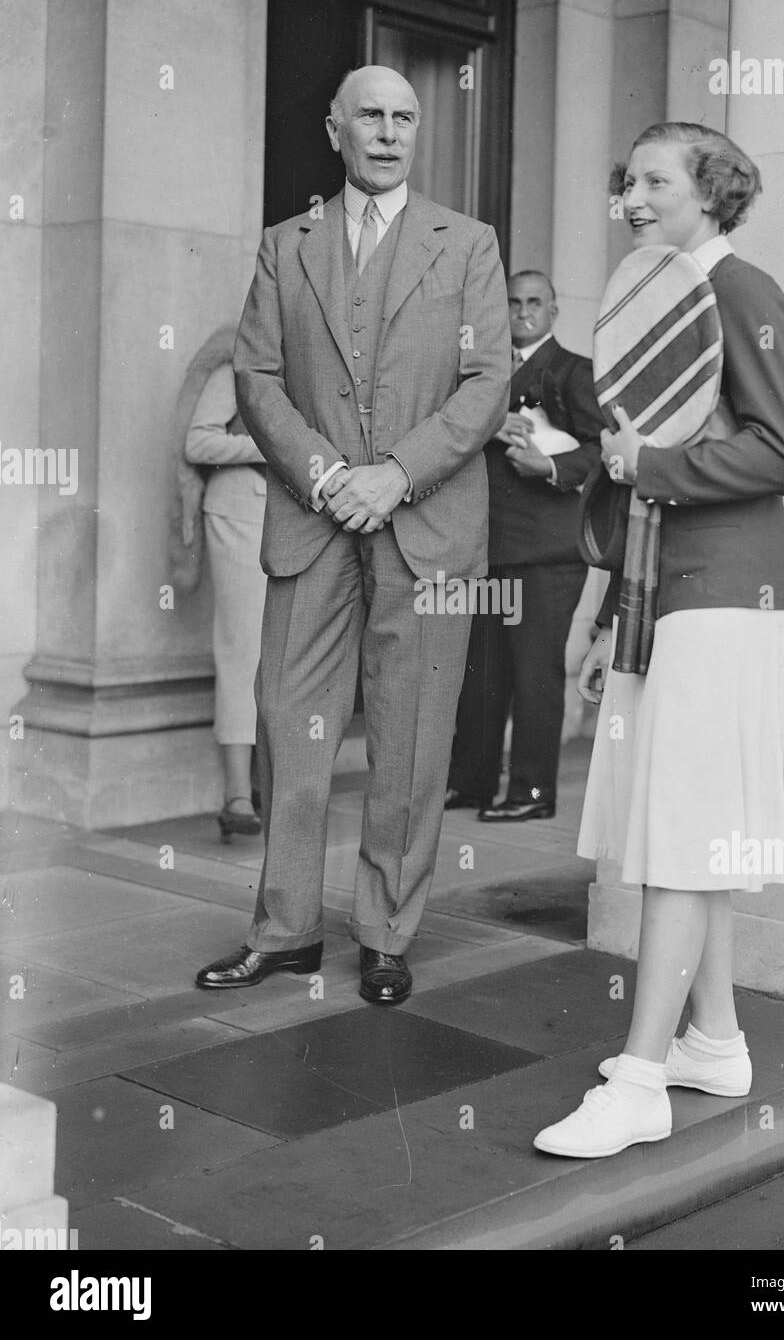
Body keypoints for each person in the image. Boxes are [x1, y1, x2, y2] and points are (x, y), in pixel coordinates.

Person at [195, 66, 510, 1004]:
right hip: (311, 520)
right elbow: (256, 378)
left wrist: (397, 474)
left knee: (412, 737)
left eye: (404, 118)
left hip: (427, 525)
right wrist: (329, 476)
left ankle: (383, 934)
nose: (387, 132)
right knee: (291, 725)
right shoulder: (285, 245)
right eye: (368, 116)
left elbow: (487, 383)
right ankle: (285, 933)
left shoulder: (469, 245)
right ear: (335, 130)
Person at [534, 122, 784, 1157]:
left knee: (684, 838)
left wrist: (646, 460)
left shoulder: (740, 292)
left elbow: (782, 451)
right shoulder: (671, 296)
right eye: (627, 180)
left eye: (657, 179)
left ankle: (642, 1080)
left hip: (724, 592)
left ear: (712, 190)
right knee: (690, 830)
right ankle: (715, 1038)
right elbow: (648, 459)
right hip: (674, 594)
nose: (634, 197)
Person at [445, 270, 604, 821]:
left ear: (554, 312)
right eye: (513, 302)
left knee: (535, 673)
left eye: (535, 303)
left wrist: (552, 465)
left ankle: (531, 793)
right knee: (480, 672)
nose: (523, 312)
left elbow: (605, 451)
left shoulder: (574, 371)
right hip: (485, 546)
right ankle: (470, 781)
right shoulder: (478, 377)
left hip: (547, 551)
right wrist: (488, 425)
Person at [184, 360, 267, 840]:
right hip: (239, 513)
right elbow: (198, 441)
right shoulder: (233, 372)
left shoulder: (318, 361)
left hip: (305, 518)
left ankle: (268, 784)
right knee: (243, 649)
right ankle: (237, 793)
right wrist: (268, 448)